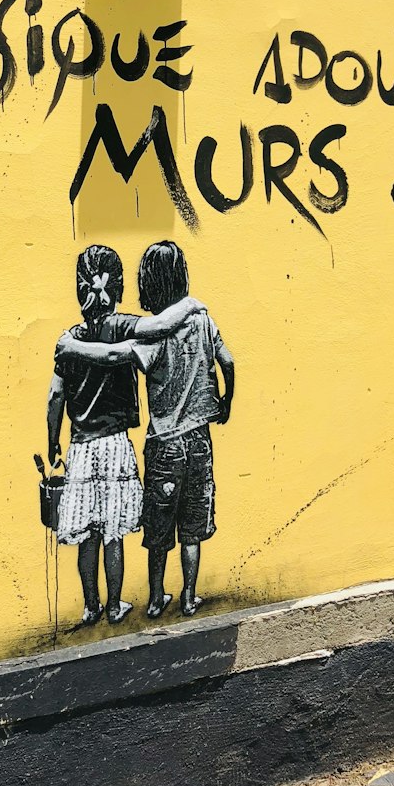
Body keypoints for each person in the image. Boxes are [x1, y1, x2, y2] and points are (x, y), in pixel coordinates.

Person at [56, 242, 234, 620]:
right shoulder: (190, 322)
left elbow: (69, 387)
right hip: (174, 441)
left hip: (129, 445)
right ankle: (175, 598)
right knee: (166, 528)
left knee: (140, 531)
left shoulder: (84, 338)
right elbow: (224, 360)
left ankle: (127, 602)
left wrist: (69, 348)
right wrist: (224, 401)